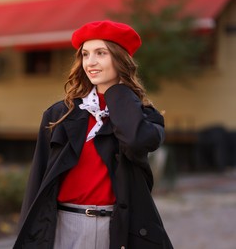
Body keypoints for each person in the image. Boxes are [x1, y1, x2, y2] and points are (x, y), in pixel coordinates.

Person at [13, 20, 173, 249]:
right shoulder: (59, 114)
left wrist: (117, 91)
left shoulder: (146, 116)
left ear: (121, 59)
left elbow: (136, 141)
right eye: (85, 54)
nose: (91, 62)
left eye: (101, 53)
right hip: (62, 227)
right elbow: (37, 181)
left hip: (117, 230)